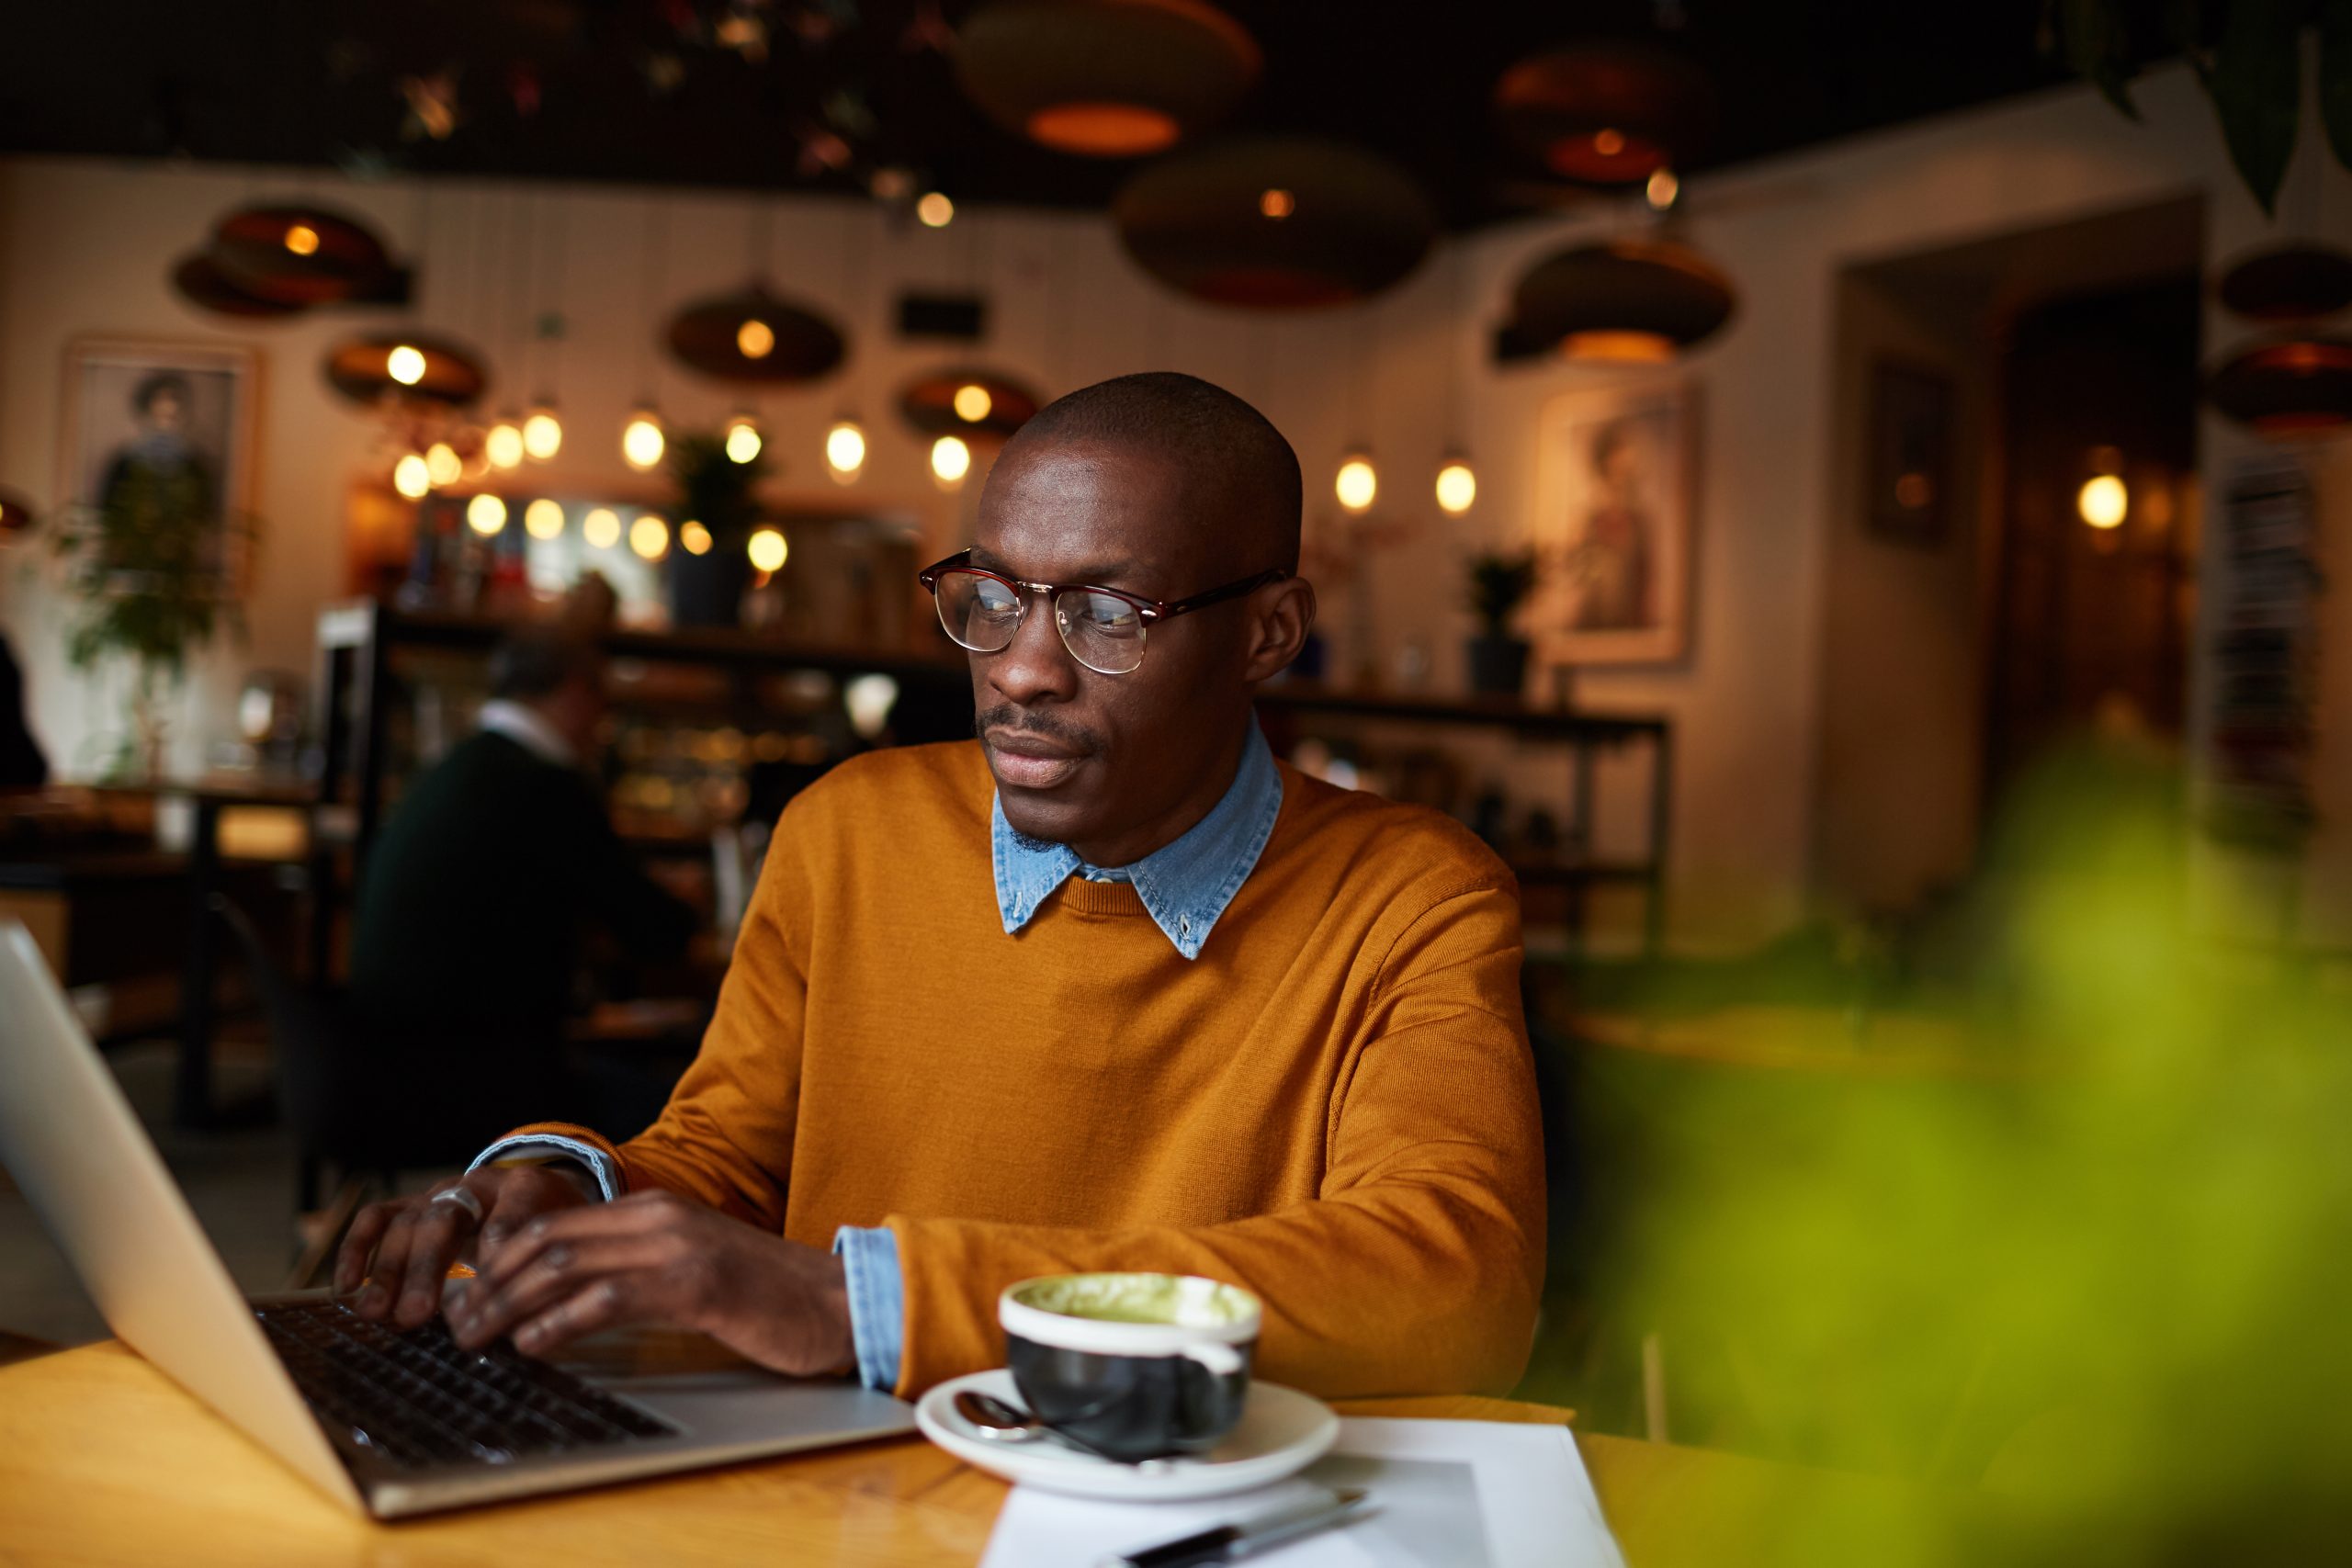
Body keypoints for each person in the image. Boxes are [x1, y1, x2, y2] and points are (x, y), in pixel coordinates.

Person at [336, 372, 1545, 1401]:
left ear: (1269, 634)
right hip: (839, 1486)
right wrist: (560, 1191)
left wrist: (870, 1300)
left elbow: (1453, 1281)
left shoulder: (1413, 894)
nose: (1020, 671)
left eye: (1107, 613)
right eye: (998, 596)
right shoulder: (847, 831)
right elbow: (728, 1156)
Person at [346, 630, 696, 1138]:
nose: (605, 718)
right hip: (466, 1076)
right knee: (688, 1123)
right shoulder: (545, 784)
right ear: (576, 691)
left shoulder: (457, 766)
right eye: (603, 697)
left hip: (375, 1062)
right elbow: (658, 931)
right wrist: (689, 899)